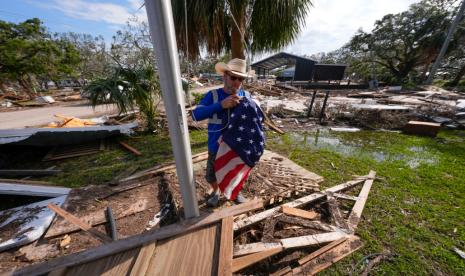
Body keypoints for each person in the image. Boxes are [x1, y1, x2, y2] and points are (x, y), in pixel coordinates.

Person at [192, 58, 252, 207]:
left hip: (237, 146)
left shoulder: (247, 96)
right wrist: (220, 105)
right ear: (224, 76)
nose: (237, 82)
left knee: (237, 171)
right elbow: (196, 115)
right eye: (233, 77)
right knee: (211, 174)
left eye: (241, 79)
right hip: (216, 146)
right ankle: (216, 191)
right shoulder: (213, 95)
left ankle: (235, 192)